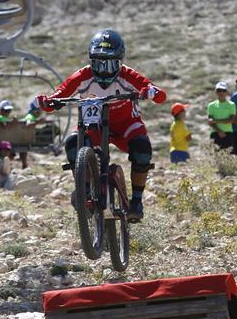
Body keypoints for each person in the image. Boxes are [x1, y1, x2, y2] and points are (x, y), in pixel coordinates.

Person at [34, 28, 166, 221]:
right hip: (93, 125)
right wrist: (47, 102)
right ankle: (84, 192)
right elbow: (58, 96)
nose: (104, 70)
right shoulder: (82, 76)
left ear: (120, 62)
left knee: (142, 149)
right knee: (72, 143)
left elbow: (160, 95)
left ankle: (137, 201)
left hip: (125, 126)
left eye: (111, 64)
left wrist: (151, 92)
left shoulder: (128, 74)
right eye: (98, 63)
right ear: (90, 61)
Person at [207, 81, 237, 151]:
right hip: (215, 134)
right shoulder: (211, 105)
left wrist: (216, 121)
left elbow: (231, 120)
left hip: (228, 134)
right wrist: (219, 131)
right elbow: (210, 121)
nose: (221, 93)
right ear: (216, 92)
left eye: (223, 90)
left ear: (226, 92)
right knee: (215, 157)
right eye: (219, 90)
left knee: (228, 157)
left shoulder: (231, 105)